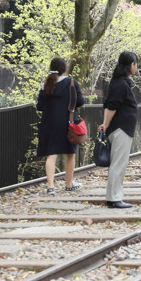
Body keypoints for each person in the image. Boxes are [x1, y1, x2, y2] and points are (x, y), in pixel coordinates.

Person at [36, 57, 85, 195]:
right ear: (65, 69)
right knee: (70, 153)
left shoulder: (45, 85)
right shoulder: (72, 83)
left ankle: (51, 187)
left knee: (51, 155)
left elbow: (39, 106)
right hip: (68, 124)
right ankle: (69, 185)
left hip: (49, 124)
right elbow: (80, 101)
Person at [97, 51, 139, 209]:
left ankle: (115, 196)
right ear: (131, 65)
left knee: (118, 162)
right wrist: (106, 124)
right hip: (121, 128)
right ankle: (114, 198)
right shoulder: (121, 84)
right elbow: (112, 105)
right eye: (135, 64)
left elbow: (109, 104)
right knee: (118, 163)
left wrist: (105, 123)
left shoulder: (119, 82)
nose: (136, 67)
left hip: (121, 128)